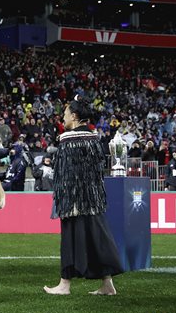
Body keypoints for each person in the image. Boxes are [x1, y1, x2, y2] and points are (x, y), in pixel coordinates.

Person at [44, 96, 123, 296]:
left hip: (74, 198)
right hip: (93, 198)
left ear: (75, 116)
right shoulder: (94, 137)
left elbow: (63, 173)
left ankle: (65, 285)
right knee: (97, 238)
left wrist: (63, 195)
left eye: (65, 113)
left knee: (70, 238)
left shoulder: (67, 139)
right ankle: (107, 284)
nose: (63, 117)